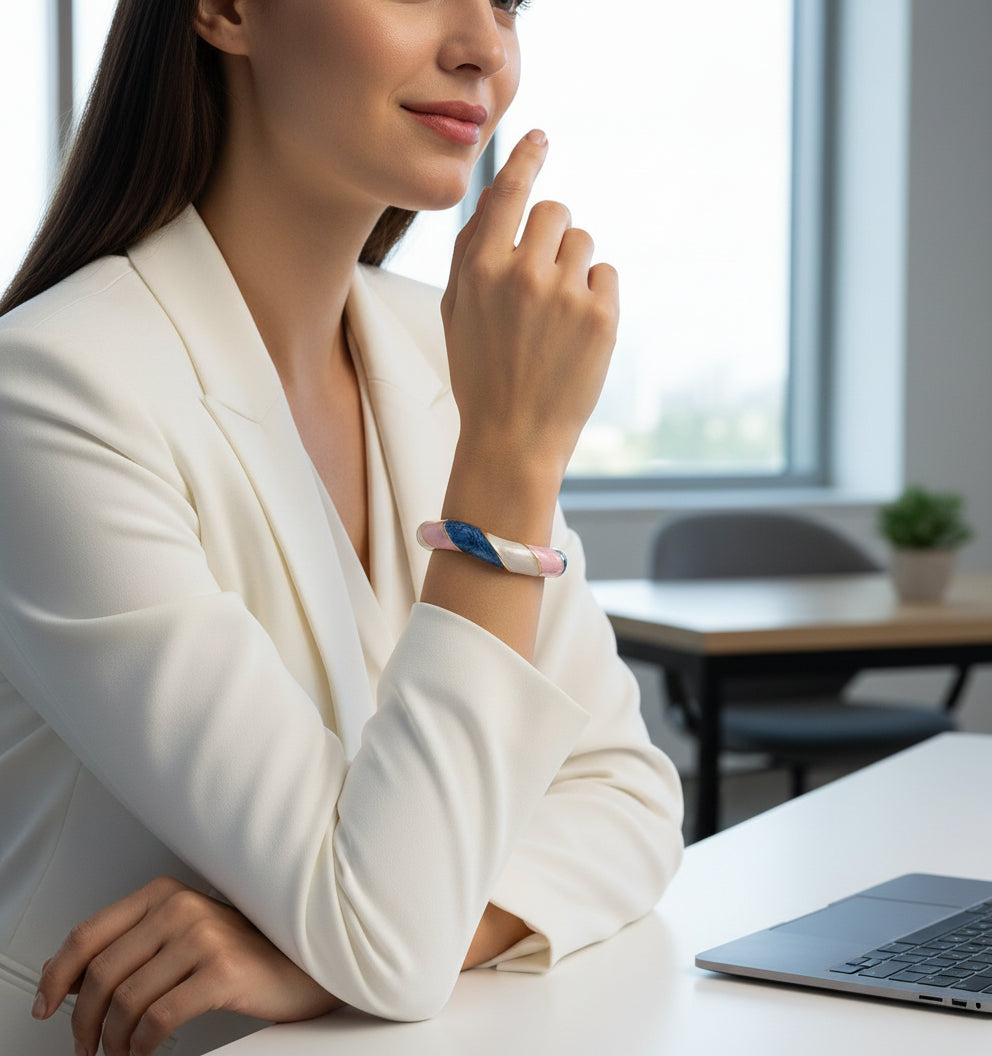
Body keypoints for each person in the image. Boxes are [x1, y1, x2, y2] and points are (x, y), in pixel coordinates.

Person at [0, 1, 684, 1054]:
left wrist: (307, 952)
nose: (482, 48)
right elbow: (385, 942)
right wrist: (506, 460)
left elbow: (628, 800)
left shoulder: (435, 344)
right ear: (226, 10)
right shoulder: (51, 389)